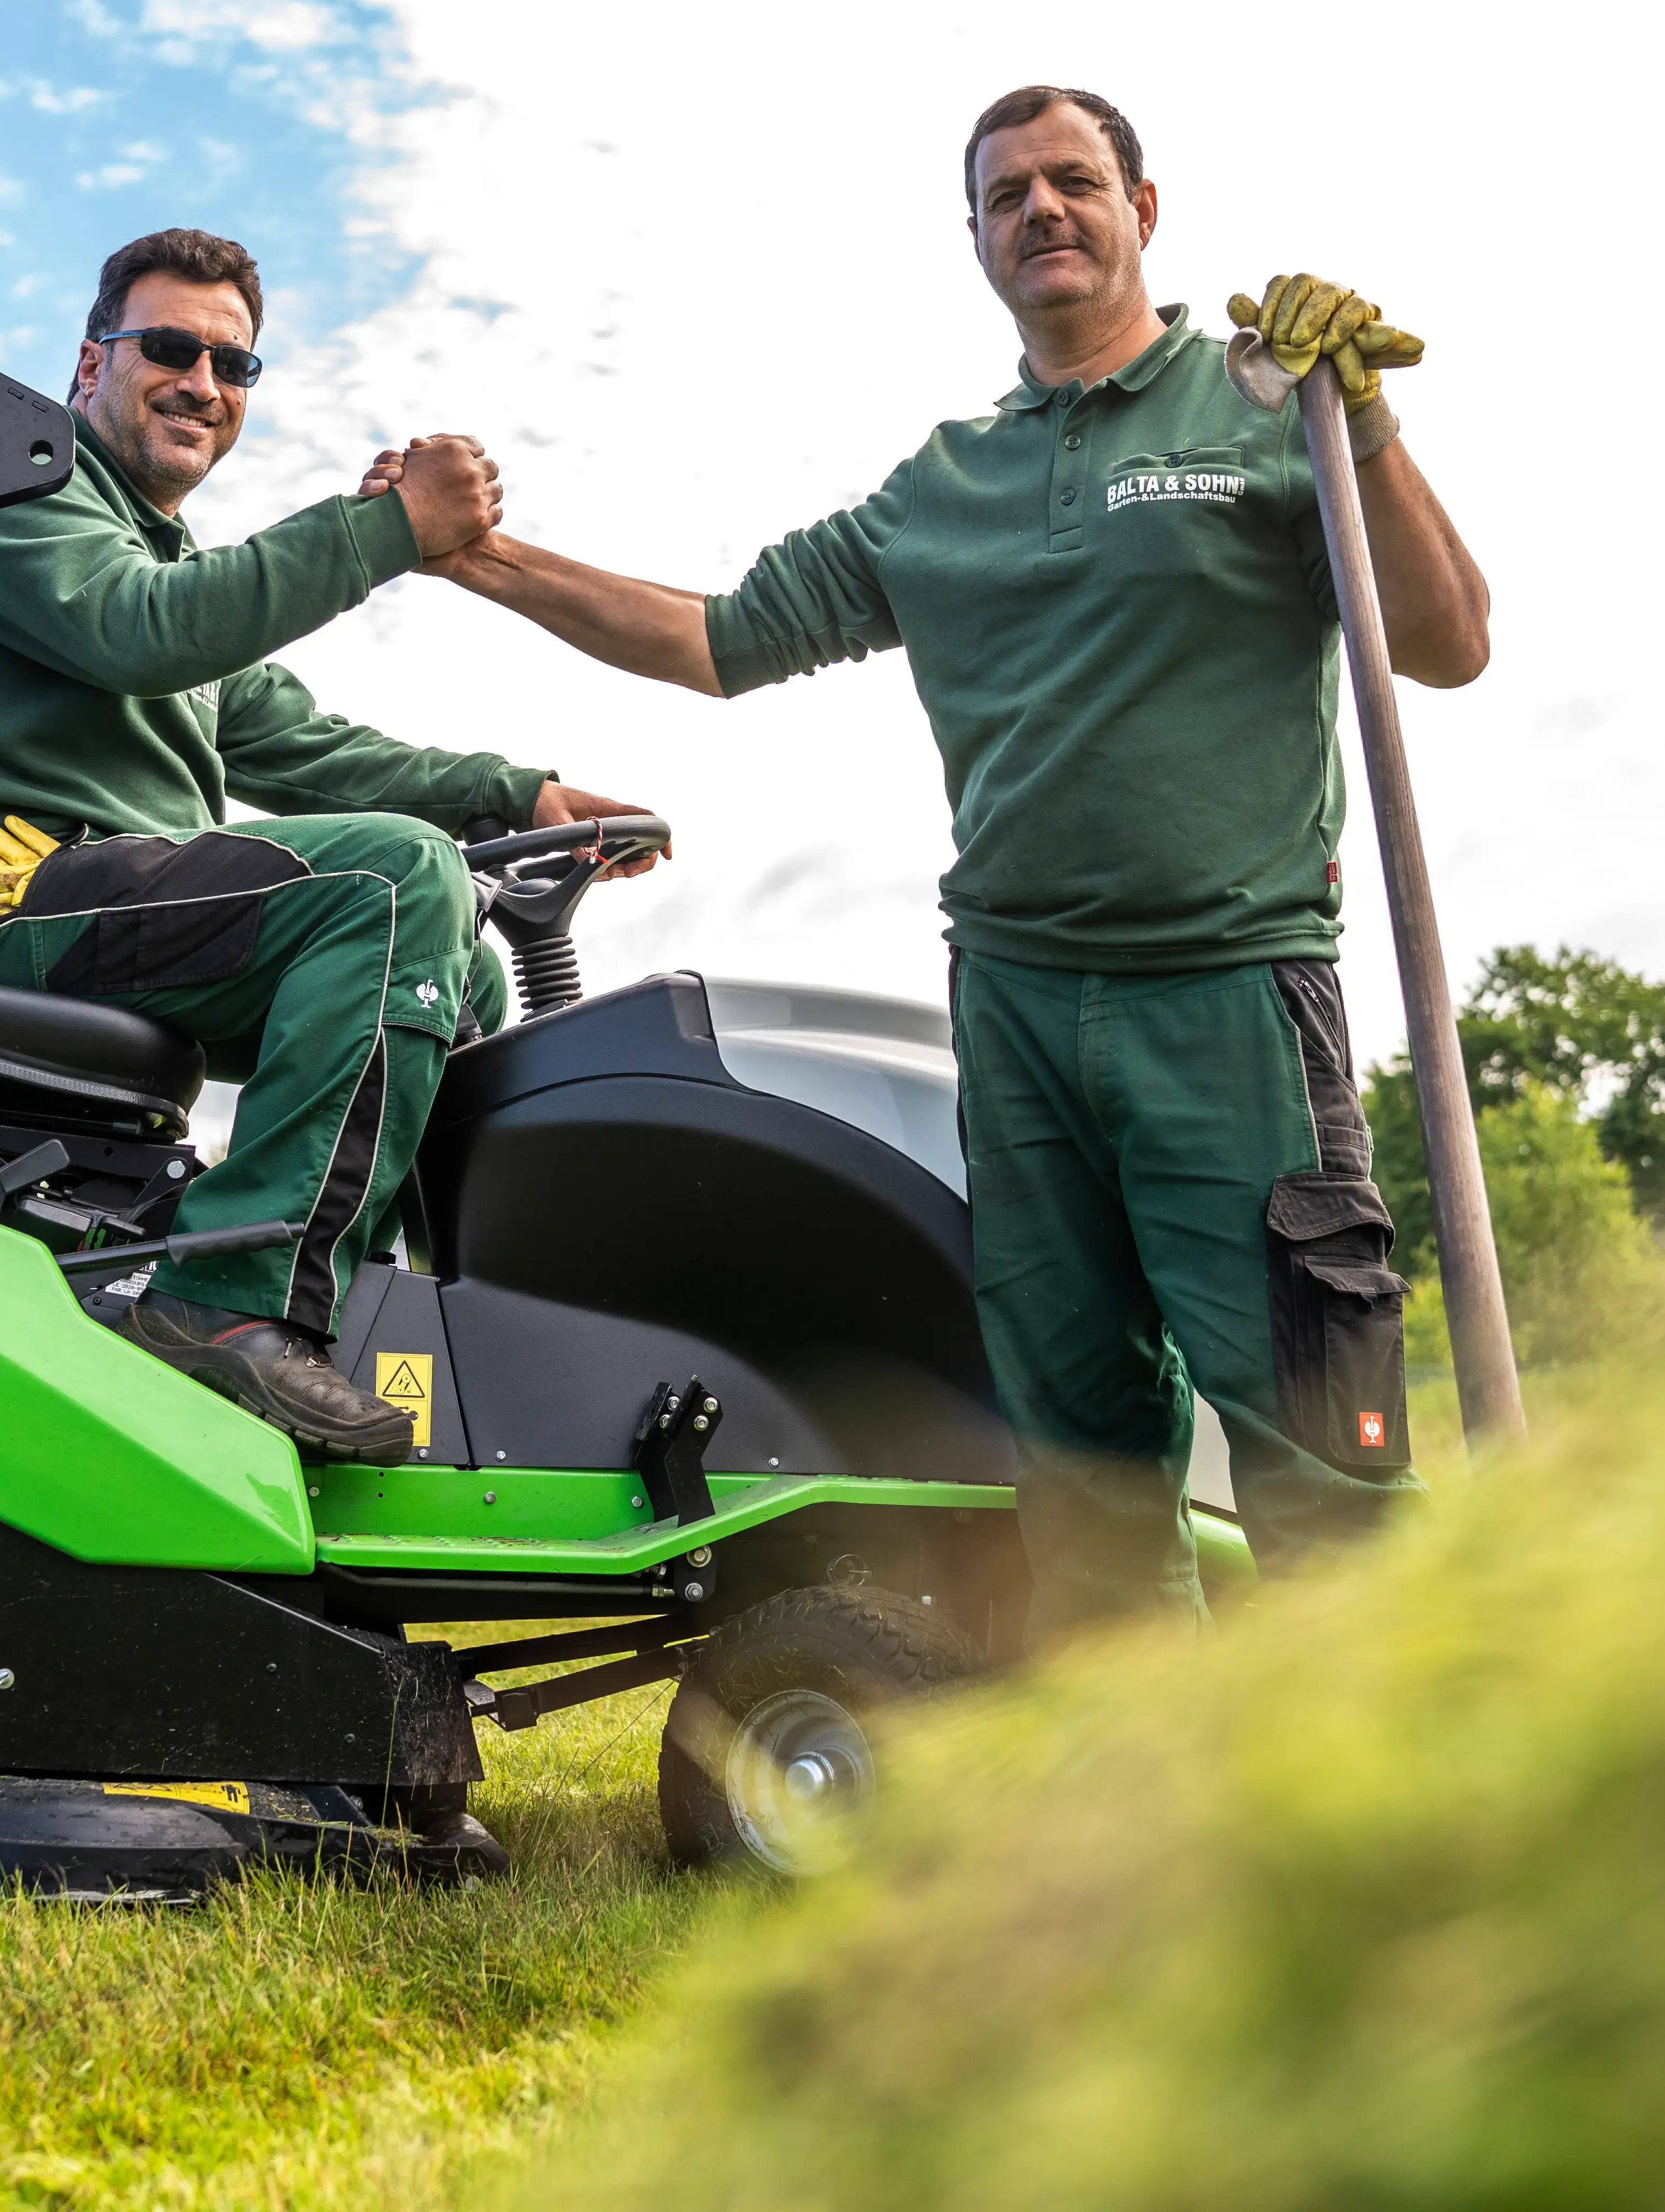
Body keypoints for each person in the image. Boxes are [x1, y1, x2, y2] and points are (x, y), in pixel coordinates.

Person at [420, 87, 1493, 1631]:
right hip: (1016, 1007)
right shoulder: (945, 486)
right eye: (1008, 195)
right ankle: (1149, 1814)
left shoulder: (1266, 409)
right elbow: (717, 641)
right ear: (978, 237)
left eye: (1076, 182)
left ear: (1144, 209)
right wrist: (477, 560)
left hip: (1229, 997)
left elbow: (1447, 642)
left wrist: (1365, 425)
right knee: (1080, 1459)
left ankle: (1398, 1815)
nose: (1043, 210)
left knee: (1317, 1442)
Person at [0, 225, 654, 1464]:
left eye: (236, 367)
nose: (205, 385)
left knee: (469, 967)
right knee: (392, 882)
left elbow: (309, 745)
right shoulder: (6, 495)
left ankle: (405, 1323)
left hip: (111, 908)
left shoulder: (157, 559)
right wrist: (387, 529)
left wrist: (520, 792)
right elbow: (141, 631)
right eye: (171, 348)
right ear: (89, 361)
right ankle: (234, 1304)